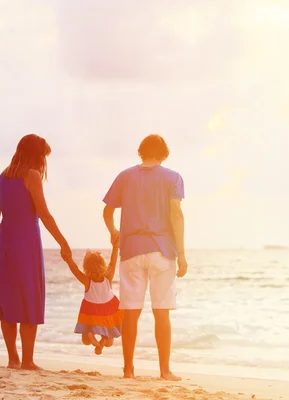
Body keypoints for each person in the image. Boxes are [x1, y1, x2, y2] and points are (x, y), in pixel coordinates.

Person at [102, 134, 188, 381]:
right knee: (162, 311)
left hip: (131, 251)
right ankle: (165, 371)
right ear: (163, 153)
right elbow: (176, 214)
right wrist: (181, 253)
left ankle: (128, 370)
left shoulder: (125, 176)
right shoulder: (173, 177)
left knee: (131, 312)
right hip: (162, 251)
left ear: (141, 151)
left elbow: (107, 211)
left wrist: (113, 232)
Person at [0, 134, 72, 370]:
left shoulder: (3, 177)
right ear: (37, 155)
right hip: (27, 246)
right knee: (29, 301)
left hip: (5, 247)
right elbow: (44, 214)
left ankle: (12, 360)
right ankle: (28, 361)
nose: (44, 162)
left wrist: (2, 242)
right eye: (44, 156)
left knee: (7, 303)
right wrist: (63, 242)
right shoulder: (32, 176)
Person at [65, 245, 123, 355]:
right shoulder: (108, 277)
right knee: (110, 342)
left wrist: (69, 260)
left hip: (91, 310)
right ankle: (104, 339)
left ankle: (90, 334)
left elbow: (75, 270)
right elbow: (113, 262)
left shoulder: (87, 281)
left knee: (85, 341)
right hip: (108, 309)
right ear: (102, 265)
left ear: (86, 267)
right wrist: (115, 247)